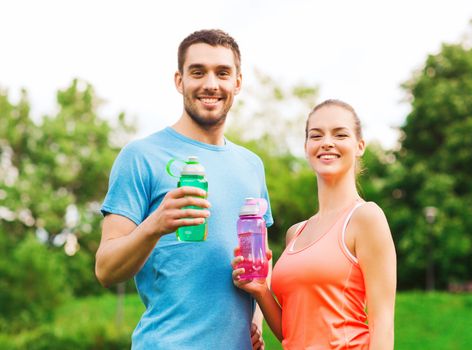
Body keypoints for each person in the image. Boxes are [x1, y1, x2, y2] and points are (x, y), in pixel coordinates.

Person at [95, 29, 273, 350]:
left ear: (238, 82)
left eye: (222, 73)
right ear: (179, 81)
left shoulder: (252, 166)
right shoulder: (140, 157)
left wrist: (254, 322)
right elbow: (106, 269)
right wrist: (155, 225)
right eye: (197, 72)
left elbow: (259, 261)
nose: (210, 84)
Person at [232, 99, 396, 349]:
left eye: (340, 134)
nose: (327, 142)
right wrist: (261, 291)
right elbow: (293, 332)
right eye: (316, 135)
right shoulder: (295, 233)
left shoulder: (366, 218)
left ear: (359, 145)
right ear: (307, 146)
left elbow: (382, 326)